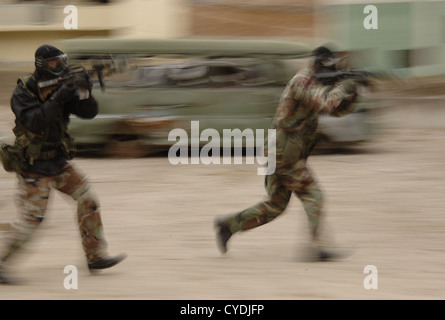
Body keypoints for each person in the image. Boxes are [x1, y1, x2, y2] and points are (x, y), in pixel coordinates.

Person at [214, 46, 359, 261]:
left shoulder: (316, 83)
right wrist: (342, 86)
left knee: (276, 205)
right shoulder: (303, 81)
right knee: (313, 195)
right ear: (319, 66)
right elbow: (327, 104)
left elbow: (337, 111)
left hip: (281, 151)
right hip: (282, 153)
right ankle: (317, 248)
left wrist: (353, 92)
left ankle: (228, 225)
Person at [0, 44, 127, 284]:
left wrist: (85, 91)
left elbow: (89, 113)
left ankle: (95, 256)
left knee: (88, 198)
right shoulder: (24, 90)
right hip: (33, 166)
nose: (60, 67)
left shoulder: (62, 87)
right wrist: (59, 96)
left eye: (63, 61)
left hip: (58, 163)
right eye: (54, 63)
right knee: (32, 219)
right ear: (41, 64)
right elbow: (34, 122)